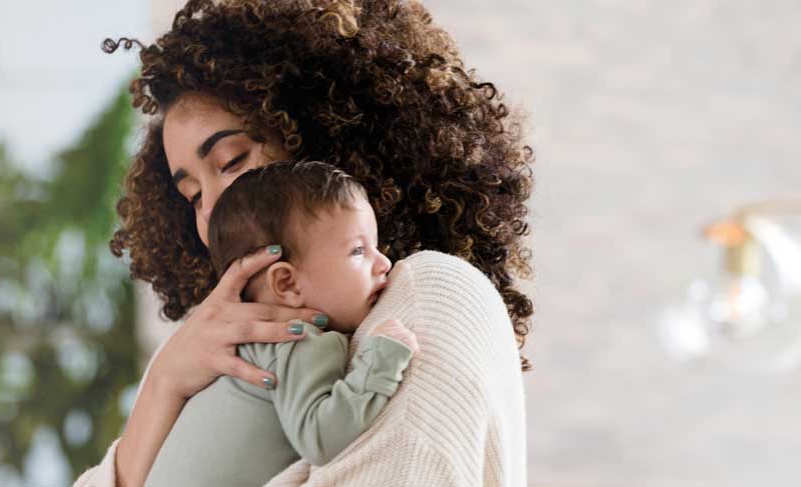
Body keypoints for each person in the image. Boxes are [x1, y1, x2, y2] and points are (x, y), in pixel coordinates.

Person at [76, 0, 535, 485]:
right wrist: (163, 382)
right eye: (192, 195)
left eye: (232, 161)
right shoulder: (210, 352)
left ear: (320, 135)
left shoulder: (430, 295)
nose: (210, 210)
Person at [144, 161, 420, 486]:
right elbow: (321, 438)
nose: (384, 263)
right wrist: (381, 361)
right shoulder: (296, 339)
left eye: (376, 245)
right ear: (287, 283)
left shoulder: (235, 350)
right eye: (358, 250)